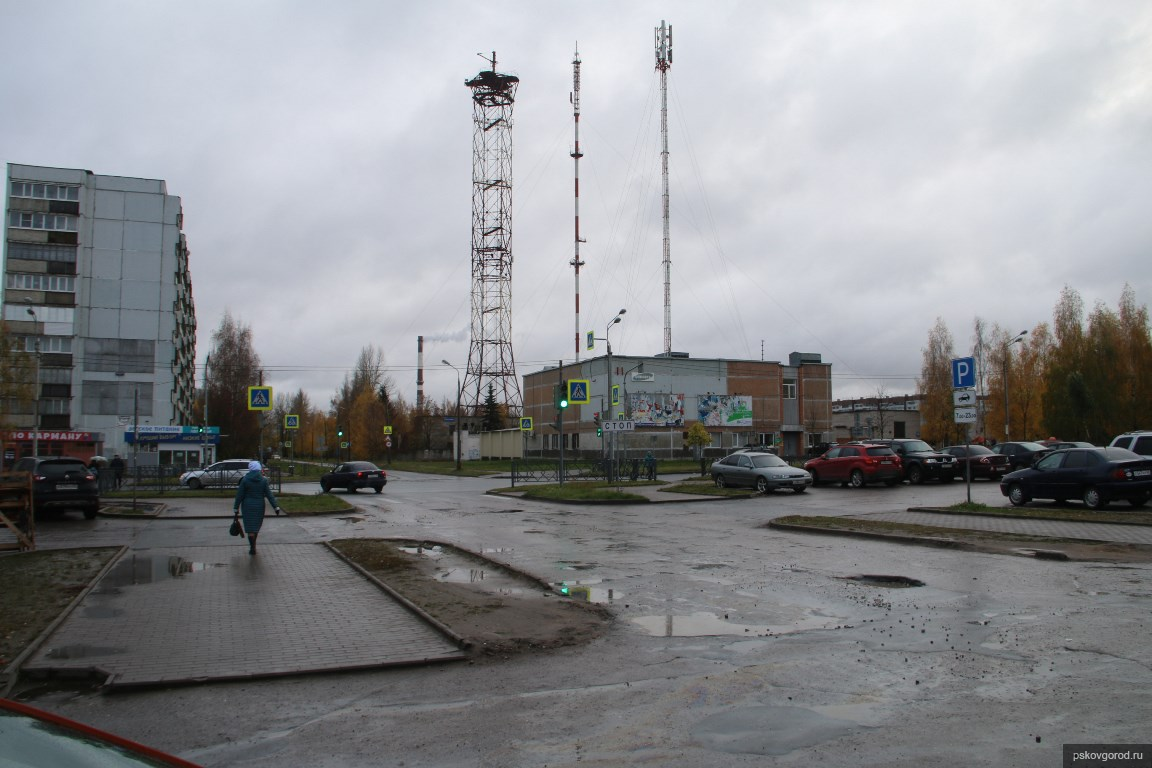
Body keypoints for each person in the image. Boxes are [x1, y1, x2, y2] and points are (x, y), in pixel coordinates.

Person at [233, 460, 282, 555]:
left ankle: (252, 547)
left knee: (250, 528)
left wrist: (236, 508)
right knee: (255, 527)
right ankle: (254, 545)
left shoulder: (245, 480)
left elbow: (239, 495)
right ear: (259, 469)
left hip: (247, 506)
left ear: (250, 469)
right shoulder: (263, 480)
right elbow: (269, 495)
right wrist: (276, 507)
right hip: (259, 506)